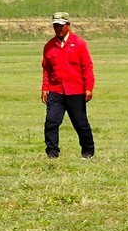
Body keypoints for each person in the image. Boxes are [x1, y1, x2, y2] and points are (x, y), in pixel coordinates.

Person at [41, 11, 96, 159]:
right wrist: (45, 88)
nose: (57, 29)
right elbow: (46, 69)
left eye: (60, 26)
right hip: (56, 91)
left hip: (75, 91)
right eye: (55, 26)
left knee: (80, 123)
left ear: (68, 25)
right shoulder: (49, 46)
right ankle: (52, 153)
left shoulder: (79, 44)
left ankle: (88, 152)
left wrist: (89, 88)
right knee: (51, 122)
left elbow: (87, 67)